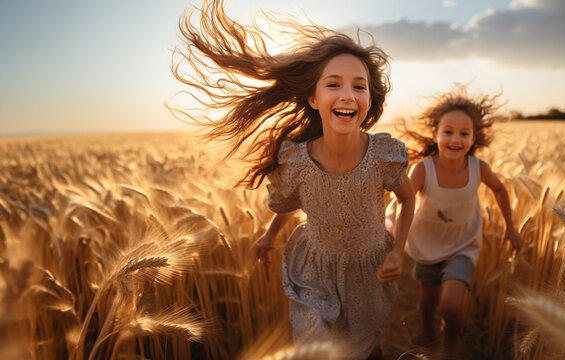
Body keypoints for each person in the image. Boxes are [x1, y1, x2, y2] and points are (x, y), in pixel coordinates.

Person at [172, 1, 415, 359]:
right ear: (313, 98)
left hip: (368, 268)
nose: (348, 94)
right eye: (334, 84)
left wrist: (398, 251)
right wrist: (270, 236)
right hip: (313, 270)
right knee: (314, 349)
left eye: (359, 87)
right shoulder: (298, 160)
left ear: (369, 99)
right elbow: (290, 203)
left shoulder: (382, 155)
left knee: (359, 346)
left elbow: (408, 199)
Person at [386, 87, 522, 359]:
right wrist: (395, 242)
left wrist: (510, 225)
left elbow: (499, 189)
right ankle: (426, 326)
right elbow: (404, 201)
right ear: (436, 134)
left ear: (474, 137)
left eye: (464, 133)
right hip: (426, 244)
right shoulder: (423, 169)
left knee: (450, 305)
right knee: (428, 299)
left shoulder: (478, 168)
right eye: (448, 131)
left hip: (463, 244)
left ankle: (450, 340)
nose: (455, 139)